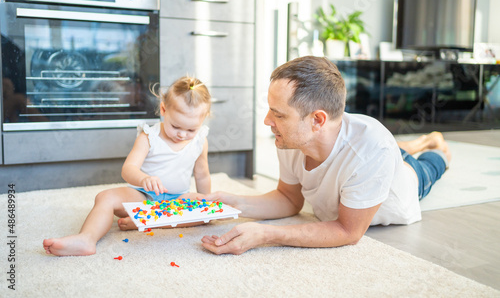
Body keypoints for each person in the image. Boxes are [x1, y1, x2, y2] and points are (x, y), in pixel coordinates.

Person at [201, 56, 451, 255]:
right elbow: (289, 198)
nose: (268, 121)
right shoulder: (292, 139)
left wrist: (267, 235)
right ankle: (419, 141)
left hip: (410, 180)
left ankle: (435, 144)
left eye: (278, 115)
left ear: (317, 120)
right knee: (390, 149)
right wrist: (224, 202)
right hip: (371, 154)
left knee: (435, 161)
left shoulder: (373, 149)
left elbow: (347, 231)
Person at [43, 76, 212, 256]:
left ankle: (145, 219)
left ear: (203, 120)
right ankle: (87, 238)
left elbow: (202, 175)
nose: (182, 135)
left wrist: (209, 202)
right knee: (105, 197)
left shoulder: (200, 140)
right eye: (176, 126)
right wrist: (144, 179)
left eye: (191, 130)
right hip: (143, 196)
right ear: (163, 109)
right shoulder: (149, 137)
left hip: (177, 199)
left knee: (204, 213)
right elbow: (128, 169)